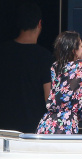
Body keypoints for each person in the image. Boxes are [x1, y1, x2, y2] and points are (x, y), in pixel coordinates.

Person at [0, 2, 52, 133]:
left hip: (3, 126)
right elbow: (49, 98)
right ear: (39, 23)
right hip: (32, 129)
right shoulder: (45, 57)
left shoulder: (3, 51)